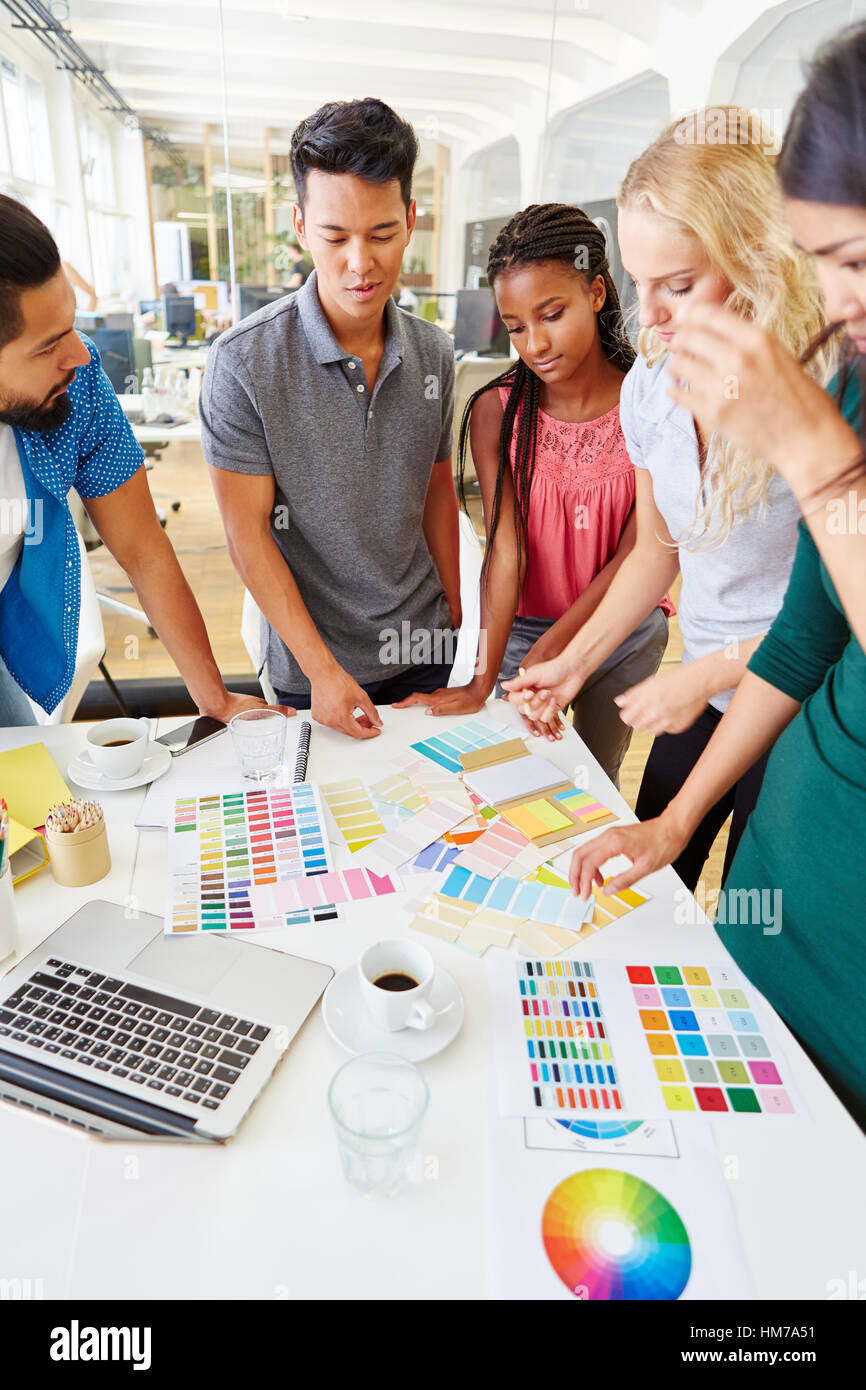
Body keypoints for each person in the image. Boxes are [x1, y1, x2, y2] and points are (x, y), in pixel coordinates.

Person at [567, 24, 866, 1128]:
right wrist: (672, 821)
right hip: (777, 910)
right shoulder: (827, 386)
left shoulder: (820, 400)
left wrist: (811, 453)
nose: (841, 303)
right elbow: (805, 634)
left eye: (853, 263)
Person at [503, 108, 826, 888]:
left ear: (758, 261)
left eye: (679, 286)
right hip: (699, 691)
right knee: (651, 880)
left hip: (805, 715)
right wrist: (575, 664)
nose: (651, 317)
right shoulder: (651, 383)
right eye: (642, 286)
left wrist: (710, 672)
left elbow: (829, 629)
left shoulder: (821, 391)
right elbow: (655, 551)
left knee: (760, 916)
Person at [200, 98, 460, 740]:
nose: (359, 264)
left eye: (380, 234)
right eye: (334, 236)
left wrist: (460, 619)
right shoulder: (242, 364)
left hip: (424, 649)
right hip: (311, 661)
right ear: (299, 225)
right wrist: (321, 671)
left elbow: (435, 491)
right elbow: (247, 533)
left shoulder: (434, 353)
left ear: (410, 220)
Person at [395, 203, 672, 787]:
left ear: (597, 293)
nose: (535, 344)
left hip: (622, 629)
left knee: (594, 778)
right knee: (510, 778)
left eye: (552, 314)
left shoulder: (648, 402)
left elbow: (636, 554)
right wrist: (481, 678)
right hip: (521, 632)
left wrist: (558, 644)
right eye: (516, 326)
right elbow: (505, 553)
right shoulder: (498, 412)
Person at [0, 195, 285, 727]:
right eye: (47, 347)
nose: (81, 356)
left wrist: (215, 699)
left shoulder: (77, 385)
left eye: (71, 326)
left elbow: (142, 548)